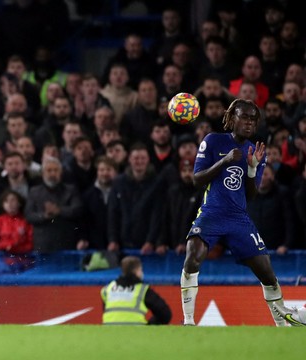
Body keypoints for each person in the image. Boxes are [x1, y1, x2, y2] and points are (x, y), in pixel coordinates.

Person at [180, 99, 289, 327]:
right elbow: (196, 179)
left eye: (253, 119)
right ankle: (188, 322)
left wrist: (252, 168)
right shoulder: (212, 141)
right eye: (244, 117)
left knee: (267, 273)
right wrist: (225, 160)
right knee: (192, 256)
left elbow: (251, 195)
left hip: (238, 218)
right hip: (212, 213)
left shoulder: (256, 151)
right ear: (232, 118)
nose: (249, 123)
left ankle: (282, 325)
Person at [101, 256, 171, 325]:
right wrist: (150, 325)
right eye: (141, 270)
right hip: (136, 331)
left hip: (109, 330)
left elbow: (107, 310)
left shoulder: (108, 289)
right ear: (137, 271)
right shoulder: (142, 290)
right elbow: (165, 314)